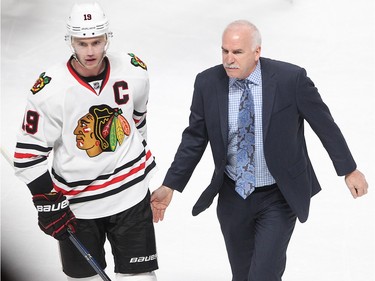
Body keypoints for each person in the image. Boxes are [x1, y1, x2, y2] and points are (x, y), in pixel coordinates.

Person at [150, 20, 369, 281]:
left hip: (278, 195)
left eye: (237, 52)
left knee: (263, 276)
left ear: (257, 52)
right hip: (233, 196)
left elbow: (325, 125)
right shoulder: (208, 83)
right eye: (225, 51)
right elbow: (194, 139)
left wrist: (349, 170)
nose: (229, 59)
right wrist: (171, 184)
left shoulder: (291, 79)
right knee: (242, 276)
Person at [13, 3, 158, 281]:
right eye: (82, 43)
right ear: (71, 41)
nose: (90, 51)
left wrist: (136, 169)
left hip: (131, 196)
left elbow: (138, 123)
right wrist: (46, 200)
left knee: (142, 277)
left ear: (107, 38)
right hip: (77, 206)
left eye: (96, 41)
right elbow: (27, 157)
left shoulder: (133, 71)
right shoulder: (50, 91)